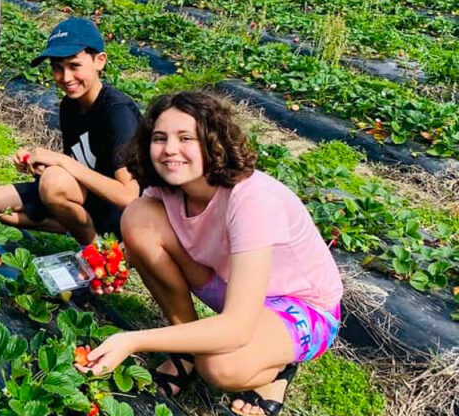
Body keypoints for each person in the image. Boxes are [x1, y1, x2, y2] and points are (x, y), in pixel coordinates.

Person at [77, 91, 343, 416]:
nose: (170, 149)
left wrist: (133, 340)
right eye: (159, 138)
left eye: (185, 137)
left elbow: (237, 327)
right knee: (137, 217)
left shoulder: (252, 199)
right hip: (229, 285)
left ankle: (277, 370)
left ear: (212, 143)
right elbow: (140, 244)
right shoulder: (167, 188)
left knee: (220, 365)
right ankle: (187, 353)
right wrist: (105, 266)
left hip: (301, 306)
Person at [0, 18, 141, 245]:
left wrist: (60, 161)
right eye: (57, 67)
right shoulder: (69, 106)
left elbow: (129, 197)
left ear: (99, 61)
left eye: (75, 66)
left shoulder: (117, 112)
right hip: (88, 197)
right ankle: (78, 226)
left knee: (53, 183)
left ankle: (97, 249)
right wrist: (39, 166)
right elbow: (79, 169)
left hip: (119, 211)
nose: (65, 78)